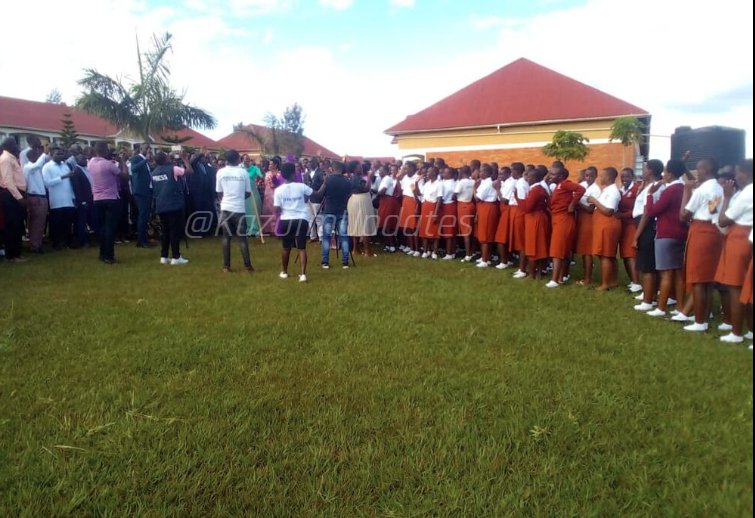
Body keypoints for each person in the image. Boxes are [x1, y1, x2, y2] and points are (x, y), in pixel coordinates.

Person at [679, 158, 724, 331]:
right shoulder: (718, 188)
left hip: (701, 231)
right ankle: (704, 317)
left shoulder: (702, 190)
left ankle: (699, 322)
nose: (697, 173)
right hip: (714, 232)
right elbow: (712, 210)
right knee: (708, 279)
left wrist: (686, 191)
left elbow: (683, 215)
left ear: (707, 169)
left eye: (699, 169)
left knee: (698, 279)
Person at [714, 159, 753, 343]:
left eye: (738, 173)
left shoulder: (746, 193)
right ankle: (750, 330)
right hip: (746, 236)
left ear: (746, 173)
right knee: (747, 286)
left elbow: (723, 220)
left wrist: (727, 197)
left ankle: (736, 332)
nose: (736, 177)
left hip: (739, 237)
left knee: (735, 286)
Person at [644, 160, 689, 318]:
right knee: (677, 273)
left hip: (666, 233)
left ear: (670, 173)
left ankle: (661, 307)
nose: (664, 175)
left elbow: (653, 211)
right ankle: (680, 306)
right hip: (681, 233)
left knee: (665, 273)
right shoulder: (684, 188)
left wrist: (650, 195)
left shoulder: (670, 190)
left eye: (665, 172)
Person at [632, 159, 666, 311]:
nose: (643, 171)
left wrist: (636, 236)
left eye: (645, 169)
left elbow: (647, 213)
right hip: (642, 224)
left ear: (651, 171)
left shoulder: (655, 188)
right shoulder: (649, 186)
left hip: (646, 226)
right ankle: (649, 294)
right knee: (647, 264)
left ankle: (648, 301)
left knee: (648, 266)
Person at [89, 142, 128, 264]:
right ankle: (109, 256)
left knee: (102, 228)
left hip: (97, 199)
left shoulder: (90, 163)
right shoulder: (107, 164)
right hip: (111, 198)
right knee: (110, 228)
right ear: (105, 151)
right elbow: (125, 176)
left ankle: (102, 253)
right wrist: (122, 162)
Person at [152, 151, 193, 265]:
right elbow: (190, 171)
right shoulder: (173, 169)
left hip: (160, 204)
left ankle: (164, 256)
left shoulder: (154, 172)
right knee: (174, 231)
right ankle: (176, 257)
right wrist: (185, 159)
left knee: (165, 231)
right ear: (165, 159)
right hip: (174, 204)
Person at [546, 165, 585, 288]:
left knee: (557, 250)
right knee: (560, 249)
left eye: (552, 174)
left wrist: (573, 204)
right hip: (557, 219)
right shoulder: (558, 186)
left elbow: (580, 189)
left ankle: (555, 280)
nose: (550, 176)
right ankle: (561, 277)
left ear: (560, 176)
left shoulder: (565, 184)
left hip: (564, 219)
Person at [274, 162, 313, 282]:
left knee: (286, 248)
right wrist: (325, 184)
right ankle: (303, 275)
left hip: (286, 219)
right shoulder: (301, 186)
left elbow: (276, 209)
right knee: (301, 248)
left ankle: (284, 272)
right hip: (302, 219)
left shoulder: (278, 190)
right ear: (293, 173)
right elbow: (315, 194)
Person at [216, 150, 254, 273]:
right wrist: (238, 198)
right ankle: (248, 266)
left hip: (225, 208)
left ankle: (226, 266)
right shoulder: (243, 173)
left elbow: (219, 192)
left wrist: (226, 200)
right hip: (239, 209)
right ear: (237, 159)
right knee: (242, 239)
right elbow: (248, 192)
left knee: (226, 238)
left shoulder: (220, 172)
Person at [587, 167, 622, 291]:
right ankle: (612, 281)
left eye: (602, 176)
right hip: (602, 224)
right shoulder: (607, 190)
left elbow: (608, 210)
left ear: (609, 177)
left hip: (607, 225)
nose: (600, 178)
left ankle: (606, 283)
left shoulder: (613, 191)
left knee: (606, 255)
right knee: (608, 255)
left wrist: (594, 201)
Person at [317, 160, 351, 269]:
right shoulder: (347, 181)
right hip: (342, 210)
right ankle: (345, 262)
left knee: (326, 236)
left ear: (333, 168)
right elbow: (349, 194)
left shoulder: (328, 180)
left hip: (329, 210)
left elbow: (320, 194)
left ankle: (325, 261)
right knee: (344, 236)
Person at [42, 146, 76, 250]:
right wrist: (63, 177)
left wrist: (73, 197)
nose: (60, 156)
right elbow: (47, 183)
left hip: (68, 200)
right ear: (51, 155)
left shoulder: (65, 166)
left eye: (61, 154)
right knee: (57, 224)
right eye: (58, 154)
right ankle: (57, 244)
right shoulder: (47, 167)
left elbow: (70, 184)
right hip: (56, 201)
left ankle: (67, 243)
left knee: (67, 223)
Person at [0, 137, 28, 262]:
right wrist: (19, 197)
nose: (16, 145)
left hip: (16, 193)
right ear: (8, 145)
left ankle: (17, 253)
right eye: (14, 143)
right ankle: (12, 255)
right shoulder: (5, 159)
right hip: (11, 194)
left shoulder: (11, 158)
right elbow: (8, 181)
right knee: (12, 225)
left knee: (18, 225)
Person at [522, 165, 550, 279]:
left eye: (529, 177)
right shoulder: (540, 188)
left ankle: (532, 273)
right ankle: (539, 272)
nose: (527, 179)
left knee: (533, 246)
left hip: (535, 219)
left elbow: (528, 207)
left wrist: (518, 199)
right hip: (539, 217)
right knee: (540, 245)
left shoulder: (535, 190)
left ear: (534, 178)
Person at [21, 142, 50, 253]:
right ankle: (35, 245)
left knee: (41, 223)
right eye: (37, 155)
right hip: (35, 197)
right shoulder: (28, 167)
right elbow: (38, 164)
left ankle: (38, 243)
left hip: (41, 197)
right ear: (32, 156)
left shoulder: (36, 168)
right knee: (35, 223)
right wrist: (44, 153)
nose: (39, 156)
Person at [617, 167, 642, 292]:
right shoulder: (621, 190)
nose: (624, 179)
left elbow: (639, 208)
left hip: (632, 224)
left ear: (632, 177)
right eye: (622, 177)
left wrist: (622, 215)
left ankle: (637, 282)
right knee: (625, 255)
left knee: (630, 254)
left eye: (626, 176)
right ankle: (632, 281)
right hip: (623, 225)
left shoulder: (637, 188)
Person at [347, 160, 377, 257]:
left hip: (355, 201)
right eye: (359, 167)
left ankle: (356, 249)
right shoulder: (356, 178)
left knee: (356, 225)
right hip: (361, 201)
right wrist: (369, 178)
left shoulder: (353, 177)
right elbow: (366, 189)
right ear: (355, 169)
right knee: (364, 225)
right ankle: (367, 251)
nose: (361, 168)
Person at [576, 166, 600, 285]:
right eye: (586, 175)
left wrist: (578, 202)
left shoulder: (596, 189)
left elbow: (591, 209)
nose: (588, 178)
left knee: (587, 251)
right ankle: (584, 275)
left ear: (596, 176)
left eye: (591, 175)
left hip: (588, 220)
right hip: (581, 218)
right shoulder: (583, 185)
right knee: (582, 250)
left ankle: (588, 278)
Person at [473, 163, 500, 268]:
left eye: (481, 171)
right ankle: (485, 257)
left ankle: (485, 259)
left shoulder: (488, 183)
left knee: (486, 234)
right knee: (483, 233)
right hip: (483, 207)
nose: (480, 173)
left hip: (487, 207)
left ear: (487, 172)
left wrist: (474, 188)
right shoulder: (484, 182)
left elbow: (478, 198)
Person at [130, 143, 154, 248]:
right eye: (146, 148)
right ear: (140, 149)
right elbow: (134, 169)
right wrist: (145, 160)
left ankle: (144, 239)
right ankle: (142, 241)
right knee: (143, 216)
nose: (148, 149)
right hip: (140, 192)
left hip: (148, 190)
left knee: (145, 215)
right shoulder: (137, 158)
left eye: (149, 148)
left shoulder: (147, 161)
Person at [415, 165, 442, 259]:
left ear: (434, 173)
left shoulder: (439, 184)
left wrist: (435, 213)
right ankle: (426, 251)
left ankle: (434, 252)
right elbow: (419, 193)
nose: (427, 173)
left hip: (433, 206)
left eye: (429, 172)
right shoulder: (427, 184)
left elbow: (439, 199)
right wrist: (416, 183)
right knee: (424, 231)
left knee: (434, 231)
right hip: (425, 207)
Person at [70, 150, 95, 248]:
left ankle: (89, 239)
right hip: (83, 200)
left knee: (91, 219)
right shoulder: (77, 171)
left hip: (91, 198)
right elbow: (77, 188)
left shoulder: (86, 169)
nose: (85, 160)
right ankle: (82, 241)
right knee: (81, 221)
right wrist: (82, 201)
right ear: (77, 160)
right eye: (82, 159)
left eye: (85, 158)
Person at [509, 162, 530, 278]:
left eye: (512, 171)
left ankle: (523, 269)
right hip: (516, 210)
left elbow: (522, 202)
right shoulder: (520, 182)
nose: (511, 173)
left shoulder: (521, 184)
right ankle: (521, 267)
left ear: (517, 171)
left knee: (521, 242)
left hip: (519, 211)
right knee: (519, 241)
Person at [494, 166, 515, 269]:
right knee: (505, 237)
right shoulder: (505, 182)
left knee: (500, 238)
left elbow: (505, 200)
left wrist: (497, 189)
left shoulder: (510, 183)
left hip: (506, 210)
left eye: (502, 174)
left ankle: (504, 261)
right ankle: (508, 259)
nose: (499, 176)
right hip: (503, 210)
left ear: (508, 174)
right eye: (499, 174)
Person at [397, 161, 420, 256]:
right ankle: (411, 247)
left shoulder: (417, 178)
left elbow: (419, 194)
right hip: (405, 200)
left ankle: (417, 249)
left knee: (413, 226)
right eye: (404, 168)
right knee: (407, 227)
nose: (405, 170)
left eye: (406, 168)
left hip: (413, 201)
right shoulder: (405, 178)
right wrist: (398, 179)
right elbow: (401, 189)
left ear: (412, 168)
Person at [377, 164, 400, 252]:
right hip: (384, 200)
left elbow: (383, 191)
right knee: (384, 224)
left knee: (387, 224)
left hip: (387, 200)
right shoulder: (384, 179)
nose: (379, 172)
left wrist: (378, 193)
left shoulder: (386, 178)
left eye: (381, 170)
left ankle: (392, 245)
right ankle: (387, 244)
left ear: (386, 171)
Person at [454, 166, 476, 262]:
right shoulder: (473, 182)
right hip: (471, 204)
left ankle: (468, 255)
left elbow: (455, 193)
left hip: (463, 205)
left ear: (462, 173)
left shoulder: (461, 182)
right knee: (470, 230)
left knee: (465, 231)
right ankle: (471, 251)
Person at [438, 166, 458, 260]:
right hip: (452, 206)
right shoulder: (455, 183)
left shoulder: (445, 184)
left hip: (447, 206)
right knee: (451, 231)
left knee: (448, 231)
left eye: (445, 173)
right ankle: (452, 252)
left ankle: (449, 253)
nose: (443, 174)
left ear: (449, 174)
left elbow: (441, 197)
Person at [243, 154, 263, 237]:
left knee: (255, 212)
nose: (247, 160)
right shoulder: (239, 169)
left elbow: (261, 176)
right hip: (244, 194)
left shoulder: (254, 168)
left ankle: (256, 231)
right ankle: (248, 230)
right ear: (242, 160)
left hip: (254, 193)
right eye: (245, 159)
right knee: (247, 213)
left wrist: (260, 168)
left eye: (248, 159)